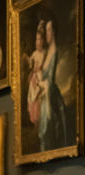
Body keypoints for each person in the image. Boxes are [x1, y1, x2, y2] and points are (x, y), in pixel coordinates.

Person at [38, 19, 70, 151]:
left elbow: (50, 80)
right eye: (46, 30)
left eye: (49, 30)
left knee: (47, 129)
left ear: (54, 32)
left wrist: (40, 81)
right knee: (43, 132)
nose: (47, 33)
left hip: (50, 94)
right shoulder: (47, 51)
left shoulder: (54, 51)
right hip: (45, 94)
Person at [25, 21, 46, 128]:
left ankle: (39, 120)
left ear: (43, 41)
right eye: (36, 40)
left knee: (38, 99)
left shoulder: (44, 53)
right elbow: (31, 63)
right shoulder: (34, 53)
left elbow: (43, 66)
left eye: (39, 39)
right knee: (31, 99)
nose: (37, 42)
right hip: (34, 78)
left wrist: (38, 68)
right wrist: (27, 59)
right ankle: (34, 121)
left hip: (40, 78)